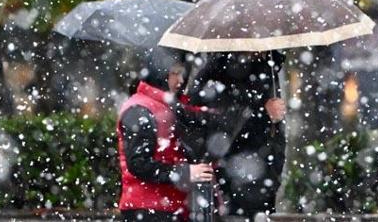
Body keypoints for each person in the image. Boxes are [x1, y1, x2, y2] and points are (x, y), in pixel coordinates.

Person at [187, 51, 287, 221]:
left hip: (264, 175)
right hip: (234, 175)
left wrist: (275, 168)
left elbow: (273, 130)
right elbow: (218, 118)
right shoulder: (221, 67)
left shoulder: (268, 63)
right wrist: (262, 112)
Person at [117, 48, 214, 222]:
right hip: (149, 209)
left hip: (162, 207)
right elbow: (139, 163)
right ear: (160, 74)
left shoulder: (163, 106)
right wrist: (185, 173)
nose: (180, 80)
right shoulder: (141, 109)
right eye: (175, 73)